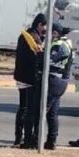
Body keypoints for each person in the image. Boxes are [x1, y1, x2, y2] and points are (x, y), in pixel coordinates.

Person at [37, 23, 73, 150]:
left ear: (55, 33)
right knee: (52, 113)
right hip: (60, 81)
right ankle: (51, 141)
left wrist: (39, 53)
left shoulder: (59, 45)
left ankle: (37, 139)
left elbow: (50, 60)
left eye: (49, 31)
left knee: (42, 110)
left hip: (54, 80)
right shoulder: (66, 43)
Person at [13, 13, 46, 147]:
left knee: (22, 107)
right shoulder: (34, 38)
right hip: (29, 77)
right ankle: (23, 137)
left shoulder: (25, 35)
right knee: (27, 109)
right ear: (39, 25)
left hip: (20, 75)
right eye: (44, 27)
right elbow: (37, 57)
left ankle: (18, 137)